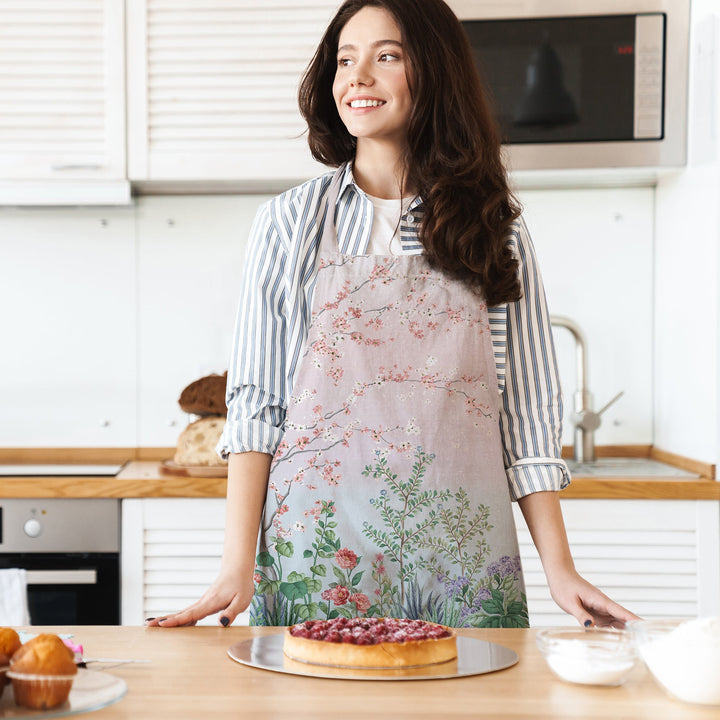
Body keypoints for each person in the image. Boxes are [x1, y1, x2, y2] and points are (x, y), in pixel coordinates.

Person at [148, 0, 638, 630]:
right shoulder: (289, 224)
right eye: (344, 60)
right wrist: (236, 564)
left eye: (387, 57)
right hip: (319, 556)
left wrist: (561, 570)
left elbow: (525, 414)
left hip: (459, 560)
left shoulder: (493, 229)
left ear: (432, 72)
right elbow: (260, 402)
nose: (358, 76)